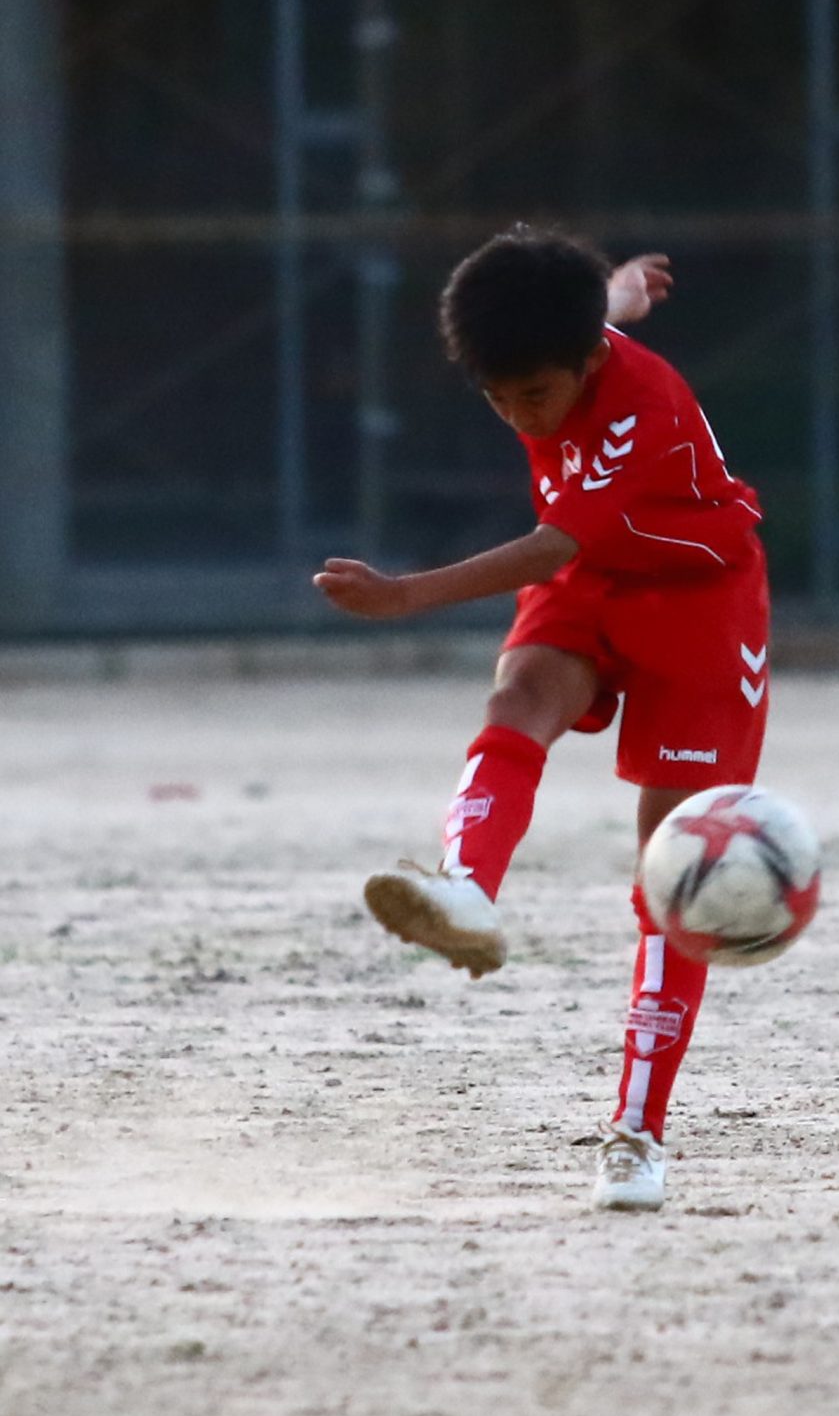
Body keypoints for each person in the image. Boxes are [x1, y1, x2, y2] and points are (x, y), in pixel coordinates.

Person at [314, 229, 771, 1213]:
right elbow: (581, 325)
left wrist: (400, 597)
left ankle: (637, 1136)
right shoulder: (571, 339)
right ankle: (466, 892)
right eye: (499, 400)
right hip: (594, 578)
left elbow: (544, 547)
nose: (521, 415)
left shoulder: (637, 412)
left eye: (536, 398)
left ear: (589, 366)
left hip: (700, 598)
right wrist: (613, 292)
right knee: (518, 698)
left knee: (670, 857)